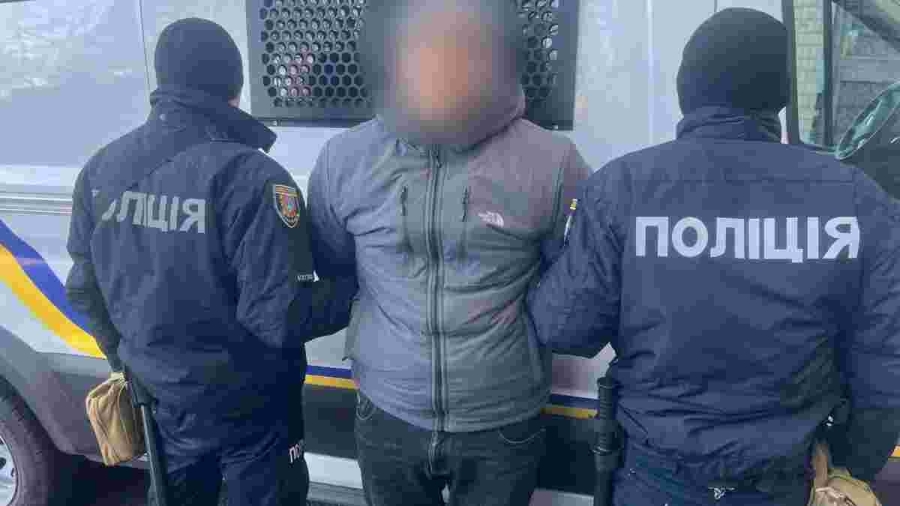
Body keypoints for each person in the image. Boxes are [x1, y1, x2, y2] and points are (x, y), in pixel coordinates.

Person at [528, 8, 900, 506]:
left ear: (687, 89)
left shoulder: (623, 188)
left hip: (653, 480)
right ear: (781, 94)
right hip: (785, 483)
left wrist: (551, 252)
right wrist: (846, 464)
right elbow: (885, 372)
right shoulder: (856, 200)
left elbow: (564, 328)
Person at [306, 1, 590, 504]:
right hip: (387, 411)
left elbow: (570, 280)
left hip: (501, 421)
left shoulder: (552, 162)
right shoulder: (344, 159)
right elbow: (335, 264)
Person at [65, 18, 356, 506]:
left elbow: (82, 288)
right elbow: (279, 316)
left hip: (163, 406)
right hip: (254, 419)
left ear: (162, 80)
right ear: (235, 89)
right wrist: (360, 287)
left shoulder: (101, 169)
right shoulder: (252, 175)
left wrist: (128, 363)